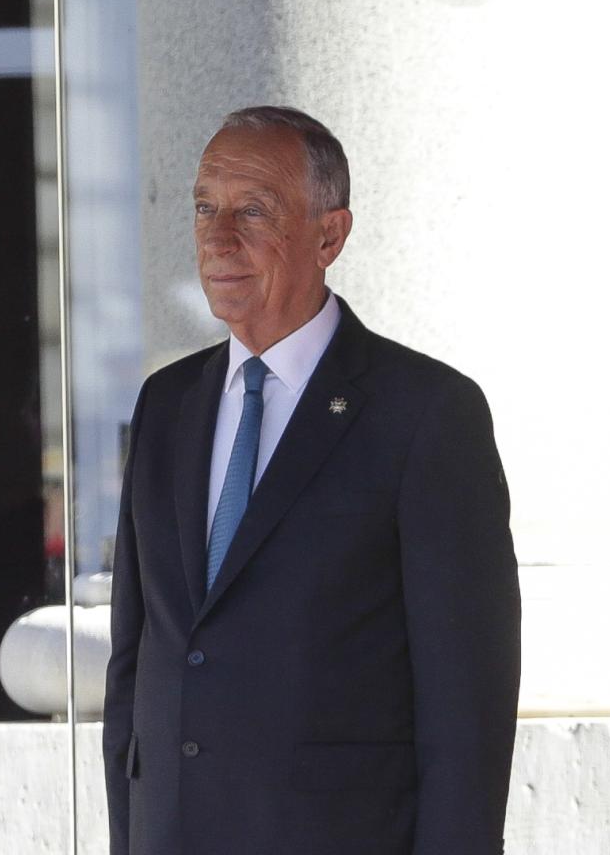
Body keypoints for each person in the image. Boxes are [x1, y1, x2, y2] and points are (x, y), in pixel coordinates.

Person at [102, 106, 521, 855]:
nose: (217, 238)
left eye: (253, 211)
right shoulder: (165, 408)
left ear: (330, 234)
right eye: (205, 207)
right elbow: (136, 672)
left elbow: (466, 712)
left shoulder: (424, 414)